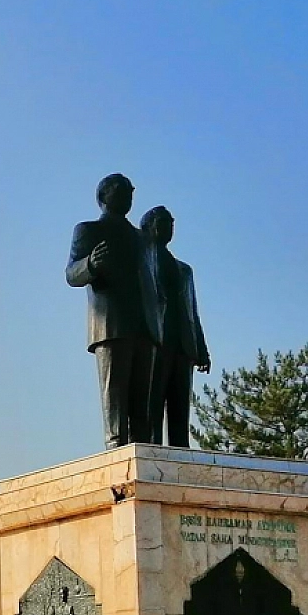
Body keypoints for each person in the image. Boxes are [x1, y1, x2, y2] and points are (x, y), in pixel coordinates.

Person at [65, 173, 163, 449]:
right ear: (103, 196)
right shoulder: (88, 230)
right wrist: (90, 264)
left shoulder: (144, 240)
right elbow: (71, 274)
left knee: (142, 402)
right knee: (115, 397)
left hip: (146, 327)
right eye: (119, 189)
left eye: (130, 190)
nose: (127, 194)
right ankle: (116, 449)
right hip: (111, 324)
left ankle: (144, 450)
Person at [140, 206, 210, 446]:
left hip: (183, 345)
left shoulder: (184, 270)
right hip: (155, 341)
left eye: (171, 222)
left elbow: (192, 312)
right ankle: (152, 450)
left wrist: (202, 349)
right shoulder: (141, 262)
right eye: (162, 222)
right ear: (148, 226)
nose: (169, 227)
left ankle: (181, 451)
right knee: (152, 404)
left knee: (180, 405)